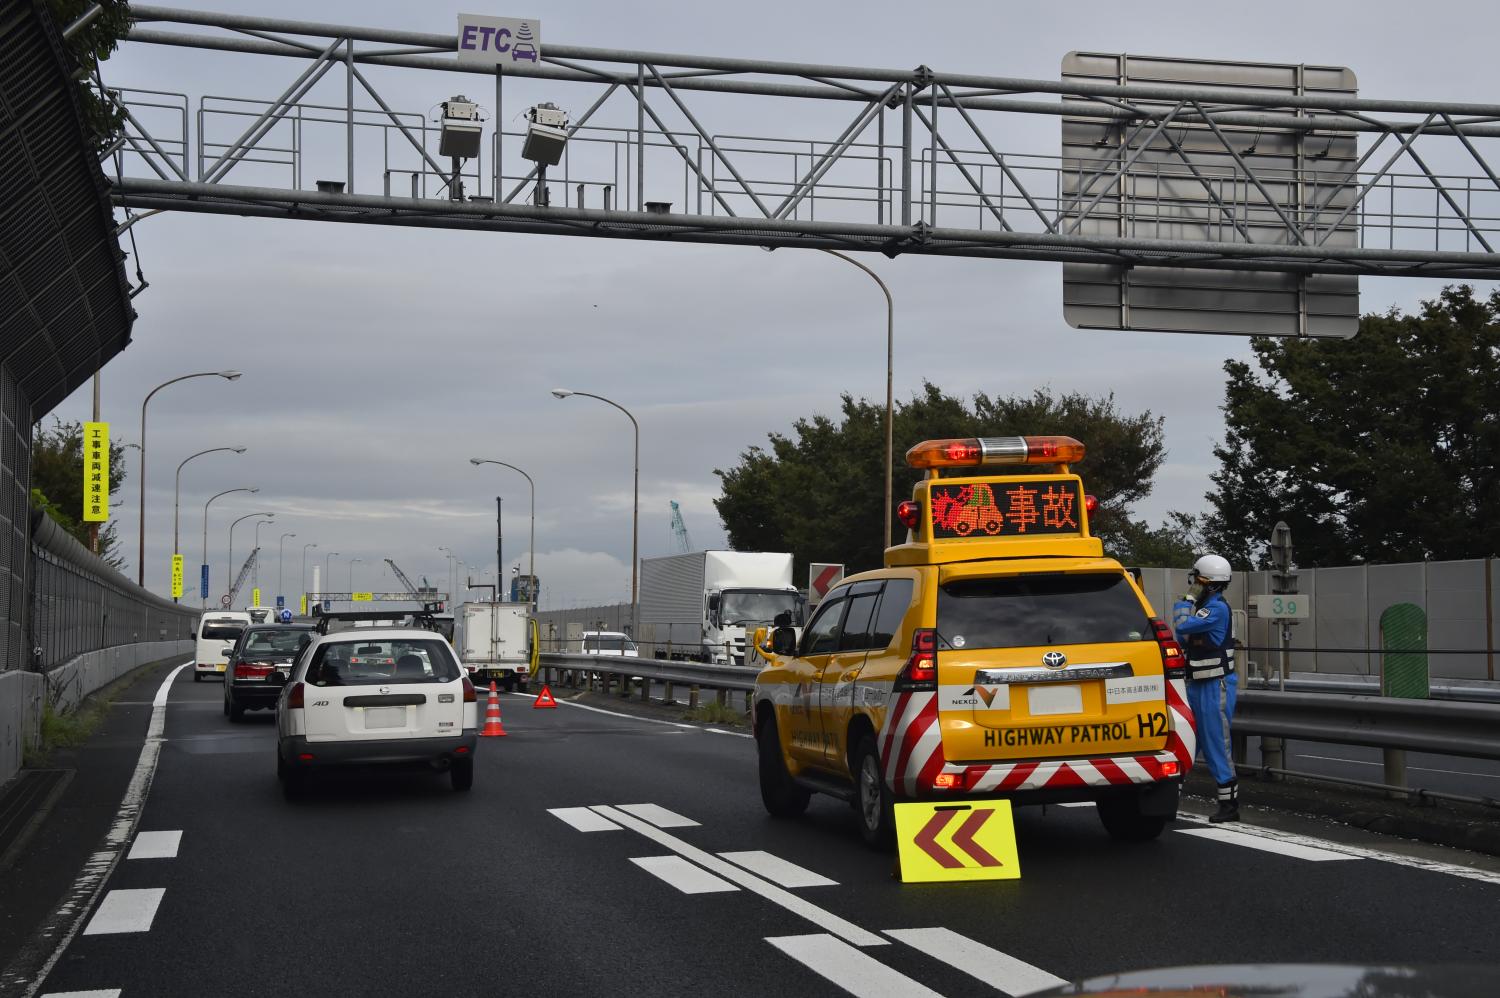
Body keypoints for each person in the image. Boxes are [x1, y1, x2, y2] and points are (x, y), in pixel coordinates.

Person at [1173, 554, 1239, 823]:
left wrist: (1186, 601)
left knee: (1215, 744)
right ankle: (1168, 798)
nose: (1193, 585)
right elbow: (1182, 635)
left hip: (1215, 685)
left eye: (1197, 580)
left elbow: (1182, 624)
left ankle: (1230, 805)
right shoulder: (1206, 607)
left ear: (1209, 583)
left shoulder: (1217, 609)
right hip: (1197, 683)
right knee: (1187, 742)